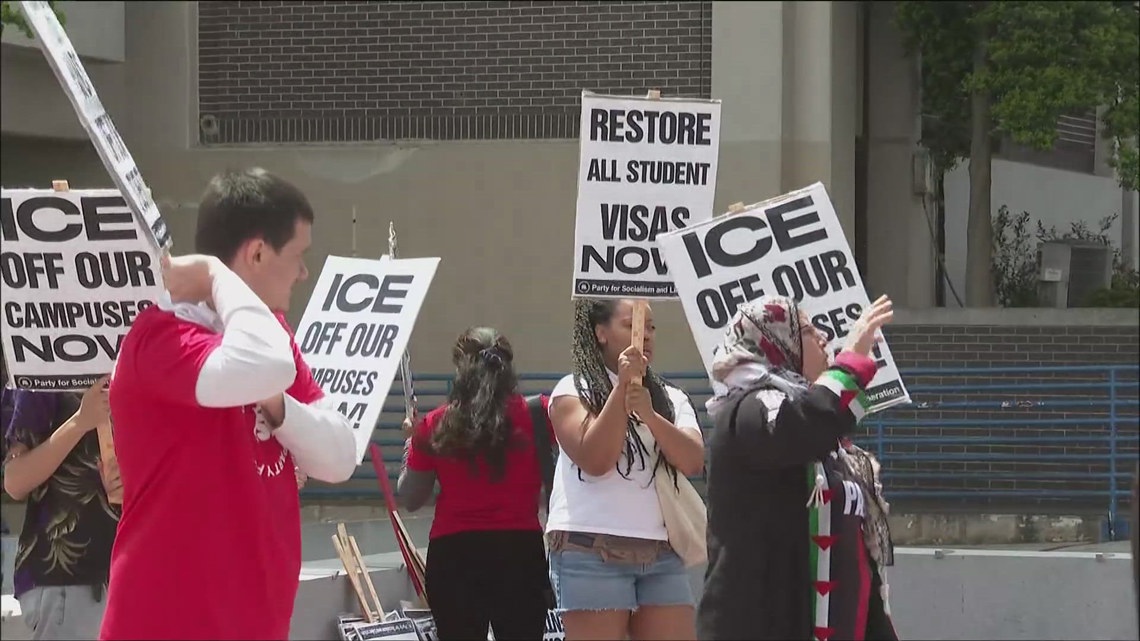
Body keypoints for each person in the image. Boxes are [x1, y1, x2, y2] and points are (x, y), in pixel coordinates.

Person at [99, 168, 359, 640]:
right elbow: (265, 365)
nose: (303, 273)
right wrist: (215, 273)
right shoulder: (161, 338)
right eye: (297, 255)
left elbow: (340, 456)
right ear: (257, 253)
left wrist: (278, 407)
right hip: (165, 627)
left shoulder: (269, 339)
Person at [697, 295, 898, 641]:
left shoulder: (829, 444)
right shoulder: (751, 410)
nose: (824, 337)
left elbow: (855, 555)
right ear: (776, 342)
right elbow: (807, 425)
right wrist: (850, 361)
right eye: (806, 330)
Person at [546, 298, 705, 641]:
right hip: (591, 551)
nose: (644, 335)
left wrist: (649, 415)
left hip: (661, 553)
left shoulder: (671, 397)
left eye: (651, 327)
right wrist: (622, 388)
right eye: (631, 325)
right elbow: (596, 460)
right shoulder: (572, 390)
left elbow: (693, 461)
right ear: (600, 333)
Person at [397, 327, 553, 641]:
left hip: (453, 554)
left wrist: (411, 442)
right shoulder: (540, 414)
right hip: (519, 552)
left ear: (460, 369)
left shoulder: (434, 423)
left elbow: (411, 497)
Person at [2, 379, 120, 640]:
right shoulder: (38, 377)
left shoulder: (142, 368)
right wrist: (80, 421)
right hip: (68, 580)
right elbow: (15, 480)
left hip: (135, 571)